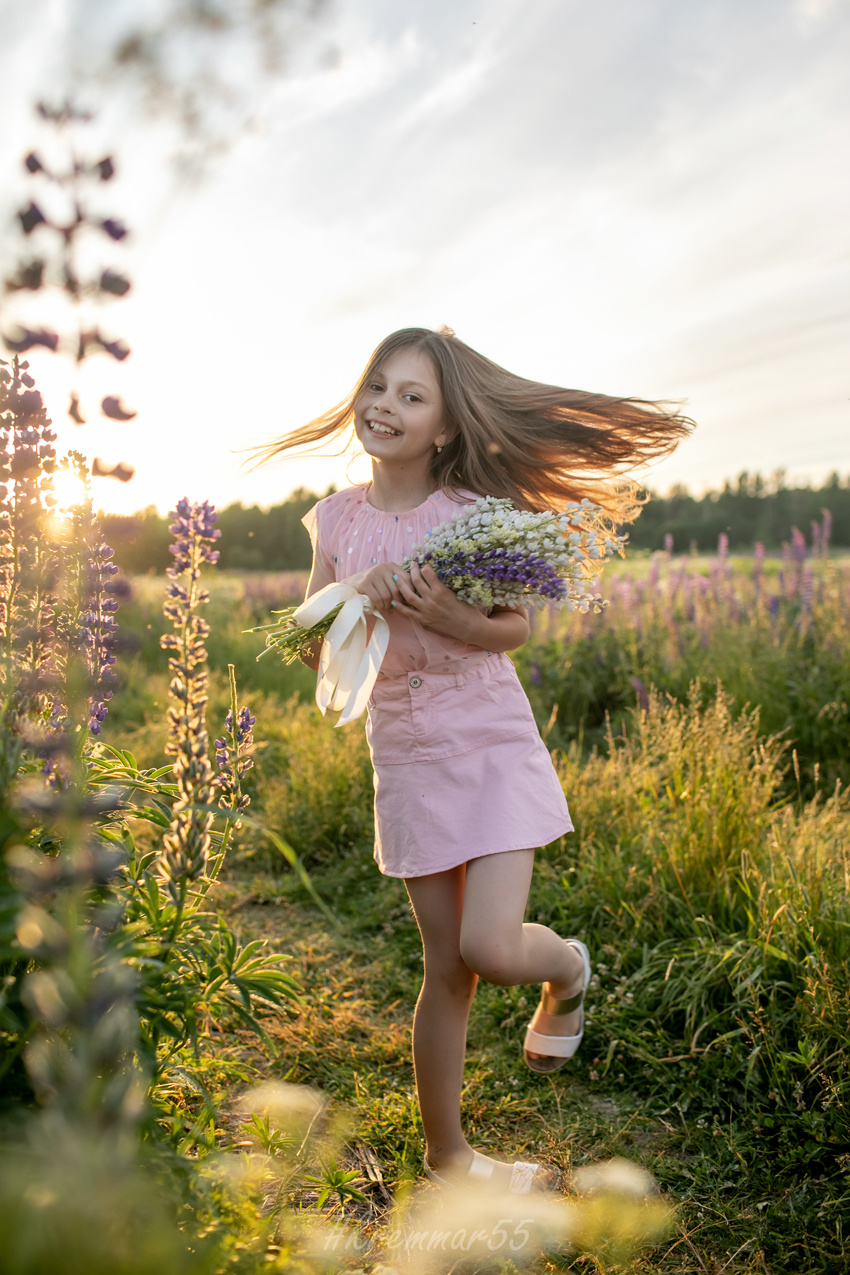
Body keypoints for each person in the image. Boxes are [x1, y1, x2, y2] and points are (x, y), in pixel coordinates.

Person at [253, 326, 692, 1194]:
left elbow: (514, 627)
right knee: (447, 967)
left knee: (489, 944)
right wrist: (353, 595)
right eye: (378, 385)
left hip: (489, 740)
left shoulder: (469, 515)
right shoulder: (335, 519)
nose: (385, 405)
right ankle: (448, 1155)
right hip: (407, 756)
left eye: (411, 395)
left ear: (446, 427)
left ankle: (566, 967)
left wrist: (454, 618)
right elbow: (307, 649)